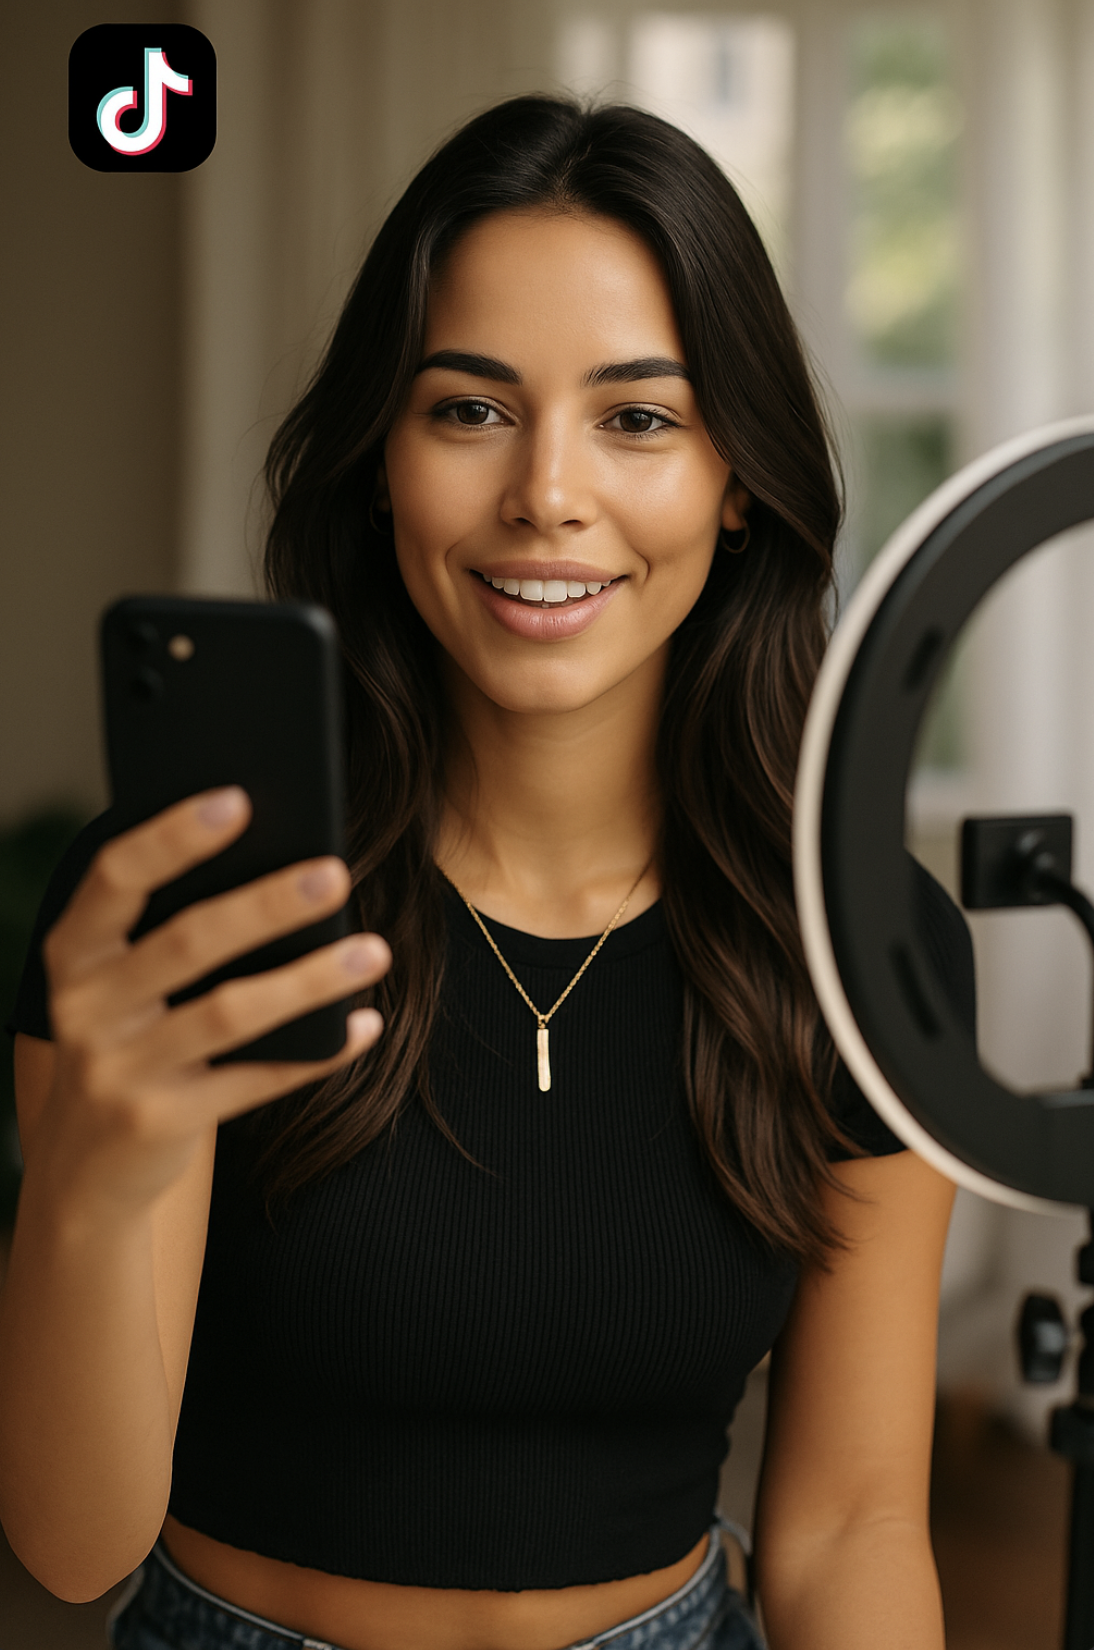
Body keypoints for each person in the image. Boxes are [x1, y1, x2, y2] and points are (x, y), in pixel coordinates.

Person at [0, 96, 970, 1650]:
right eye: (468, 409)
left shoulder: (865, 940)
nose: (545, 494)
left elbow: (850, 1521)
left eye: (637, 417)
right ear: (381, 459)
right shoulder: (182, 910)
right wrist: (101, 1177)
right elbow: (67, 1545)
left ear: (738, 481)